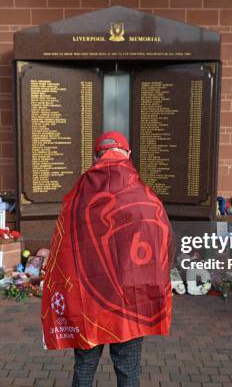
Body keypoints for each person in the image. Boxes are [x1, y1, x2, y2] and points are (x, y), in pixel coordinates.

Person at [41, 131, 172, 387]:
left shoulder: (77, 199)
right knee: (128, 369)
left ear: (96, 156)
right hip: (131, 301)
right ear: (129, 155)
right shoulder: (146, 198)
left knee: (85, 368)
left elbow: (63, 249)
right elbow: (163, 245)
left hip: (87, 301)